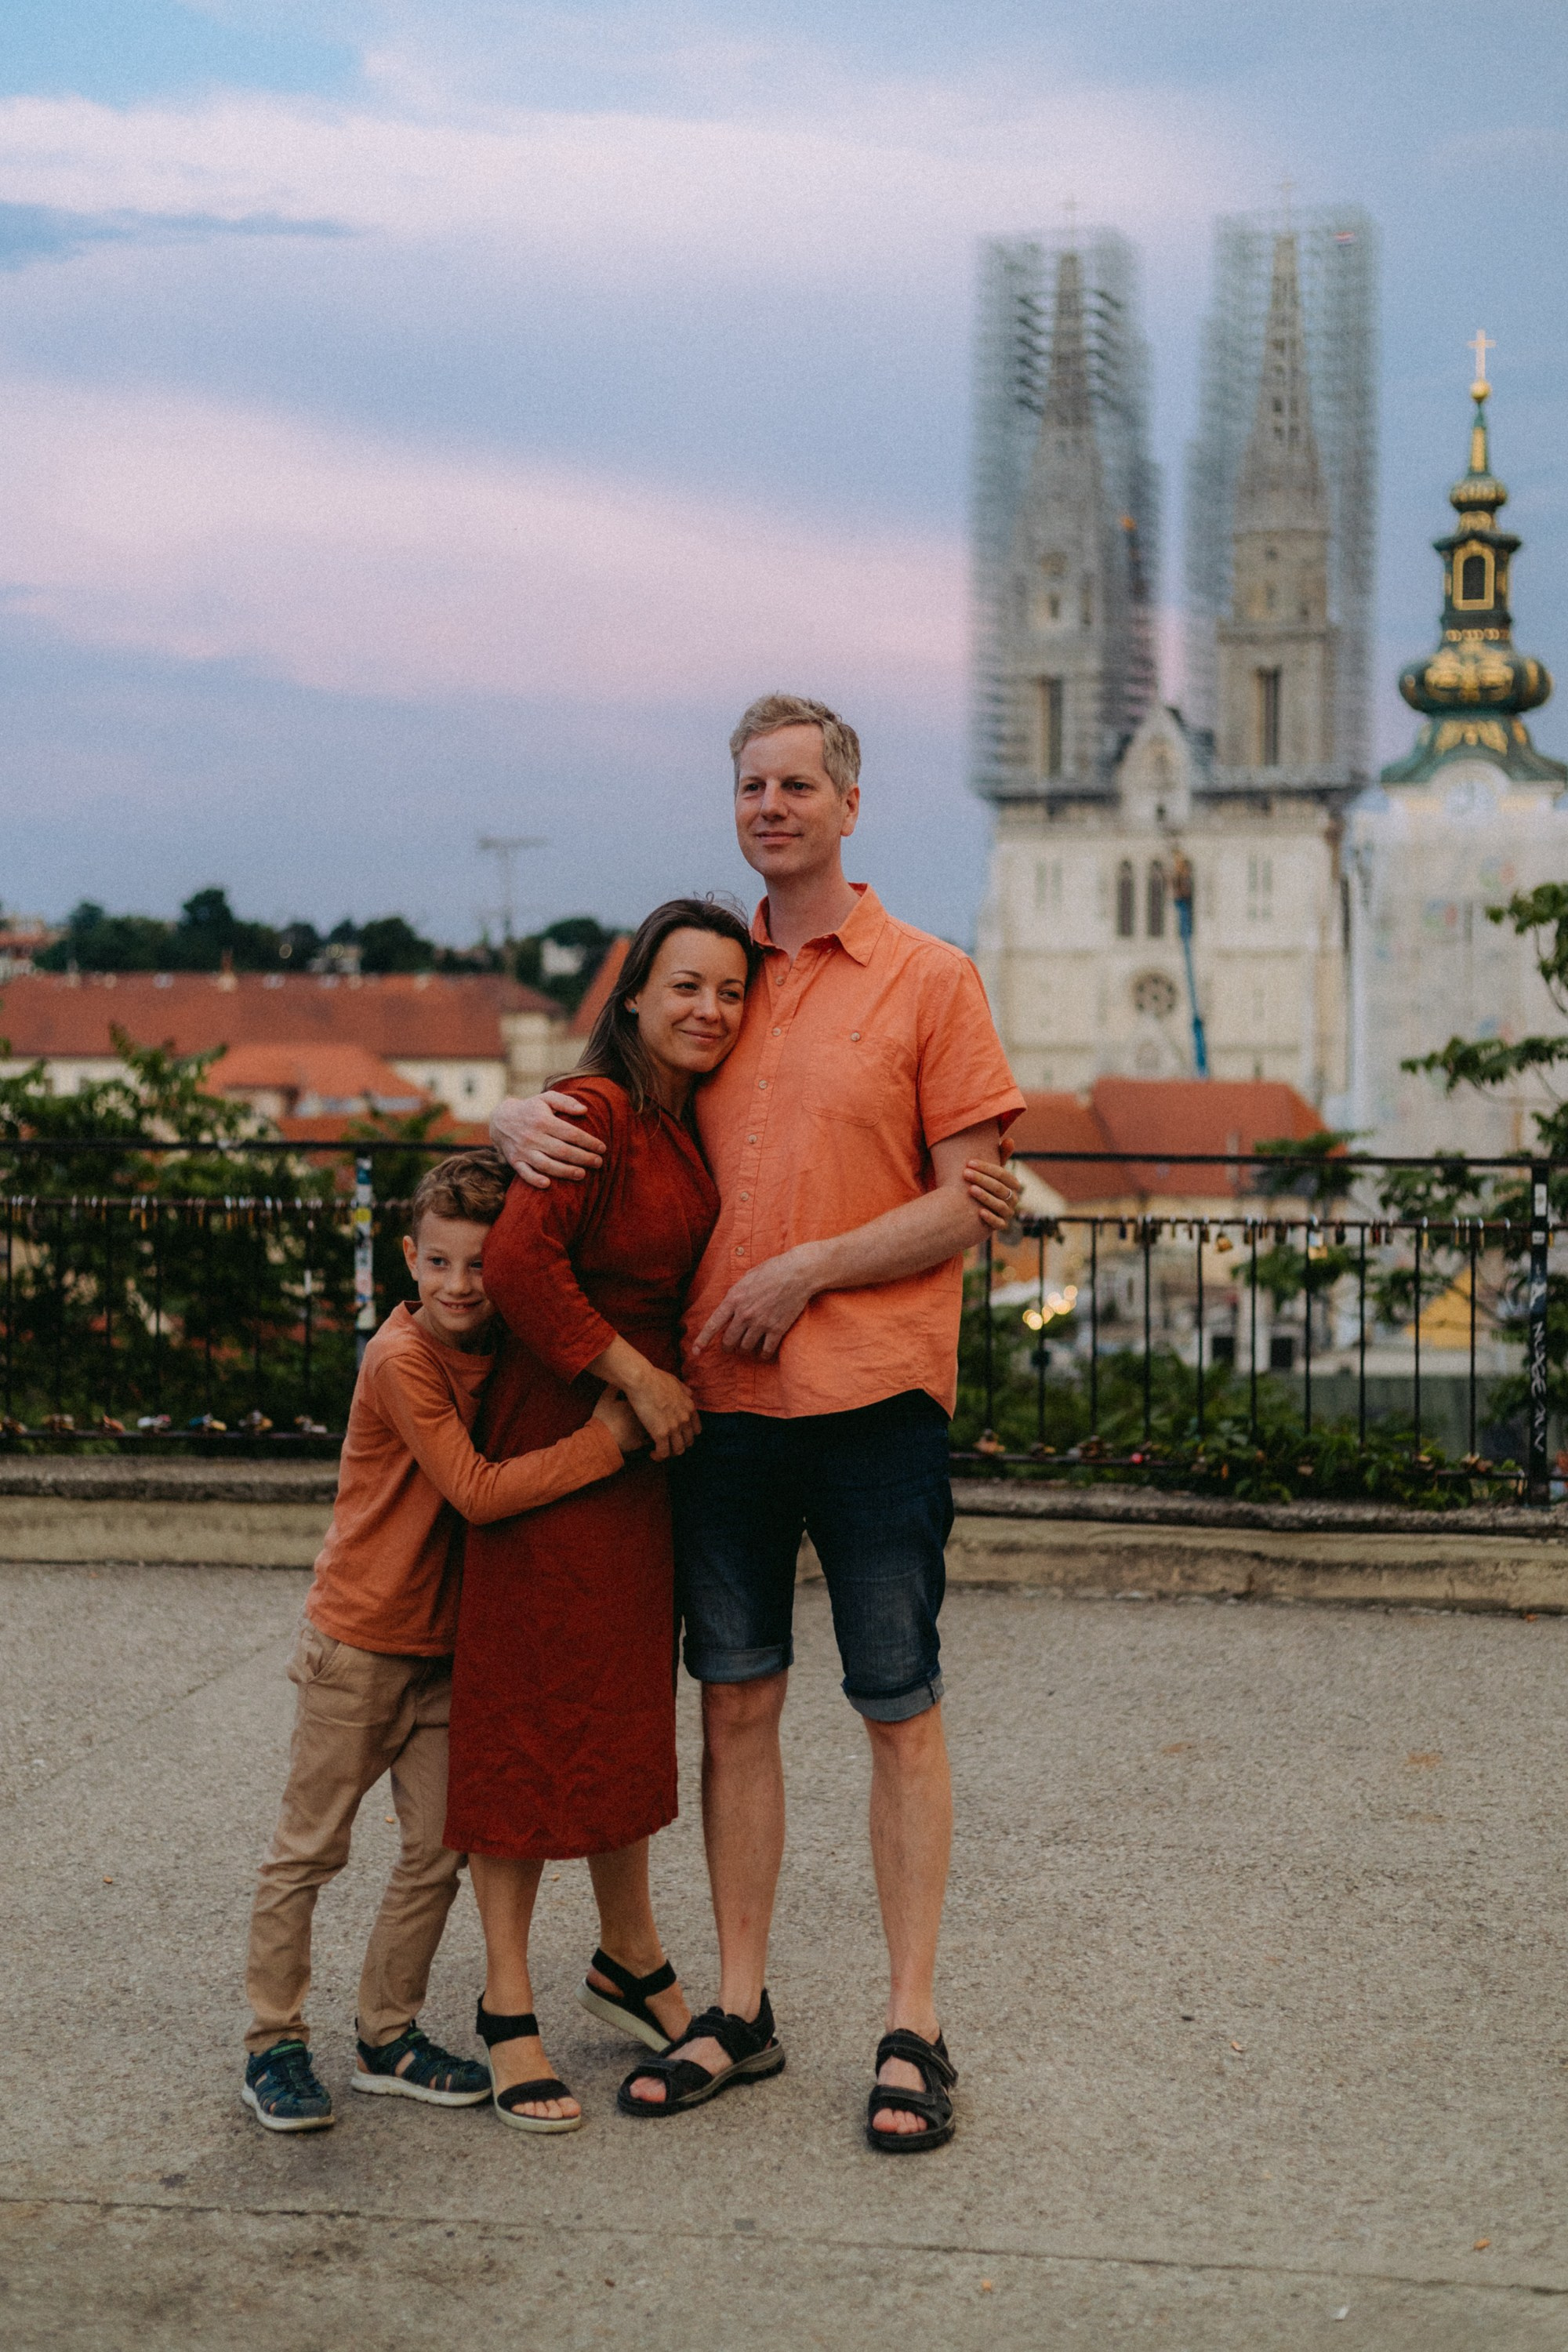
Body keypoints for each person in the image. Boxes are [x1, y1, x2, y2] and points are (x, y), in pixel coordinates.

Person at [492, 694, 1025, 2154]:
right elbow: (593, 1104)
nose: (771, 805)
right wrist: (499, 1129)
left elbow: (971, 1199)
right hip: (719, 1414)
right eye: (751, 785)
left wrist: (807, 1268)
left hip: (877, 1401)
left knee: (897, 1711)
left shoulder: (929, 979)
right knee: (733, 1706)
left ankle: (913, 2025)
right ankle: (737, 2005)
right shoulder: (714, 977)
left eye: (797, 783)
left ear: (851, 803)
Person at [241, 1147, 643, 2132]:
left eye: (479, 1267)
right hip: (361, 1642)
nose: (460, 1287)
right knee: (308, 1852)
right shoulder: (402, 1359)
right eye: (438, 1265)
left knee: (437, 1852)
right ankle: (273, 2045)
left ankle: (386, 2034)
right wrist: (608, 1441)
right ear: (407, 1259)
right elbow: (474, 1489)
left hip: (445, 1649)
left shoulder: (500, 1347)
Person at [443, 899, 752, 2133]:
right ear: (632, 996)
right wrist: (629, 1379)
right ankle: (507, 2006)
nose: (708, 1010)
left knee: (621, 1709)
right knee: (524, 1713)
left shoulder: (682, 1126)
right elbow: (519, 1267)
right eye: (685, 986)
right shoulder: (597, 1114)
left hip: (640, 1465)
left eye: (729, 991)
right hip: (565, 1434)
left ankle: (629, 1956)